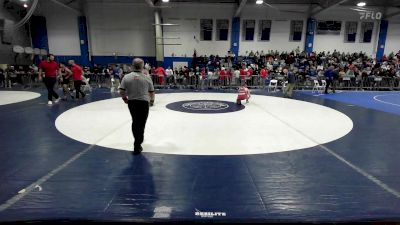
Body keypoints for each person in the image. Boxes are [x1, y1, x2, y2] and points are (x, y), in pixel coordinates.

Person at [119, 58, 155, 155]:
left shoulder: (126, 77)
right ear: (143, 66)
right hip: (143, 103)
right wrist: (152, 101)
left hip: (132, 103)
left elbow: (121, 90)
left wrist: (125, 99)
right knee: (142, 123)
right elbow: (151, 92)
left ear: (132, 66)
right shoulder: (147, 77)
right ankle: (138, 142)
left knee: (135, 121)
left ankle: (137, 142)